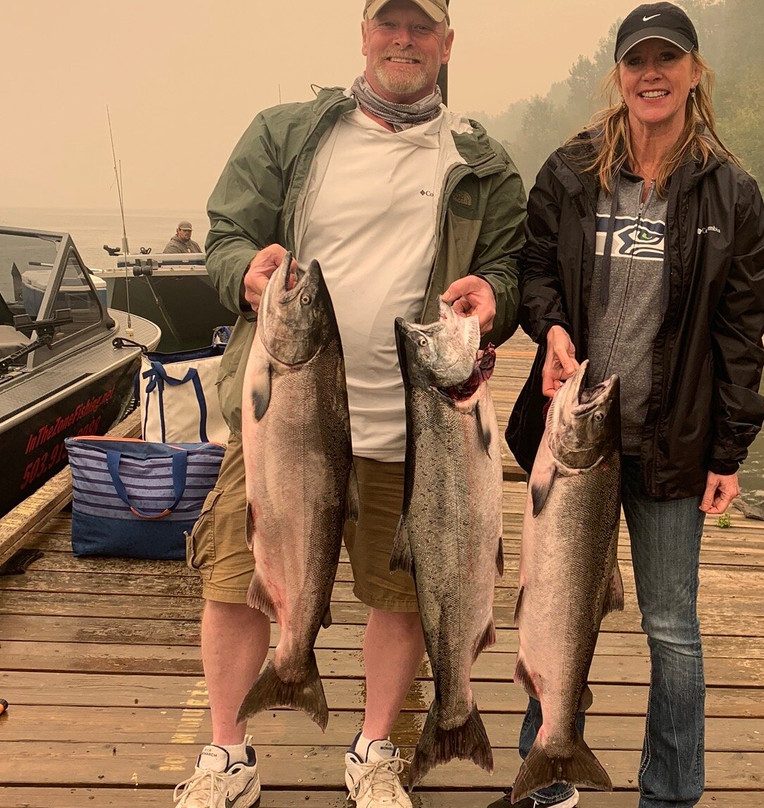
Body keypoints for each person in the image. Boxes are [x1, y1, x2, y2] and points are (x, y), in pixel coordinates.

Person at [171, 2, 524, 808]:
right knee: (235, 577)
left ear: (447, 42)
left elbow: (508, 263)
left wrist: (492, 296)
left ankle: (373, 750)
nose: (404, 40)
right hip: (283, 415)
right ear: (364, 35)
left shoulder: (482, 159)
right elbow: (227, 237)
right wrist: (247, 276)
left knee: (402, 592)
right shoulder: (289, 133)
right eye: (389, 25)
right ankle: (227, 752)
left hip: (420, 423)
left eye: (421, 27)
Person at [505, 4, 764, 807]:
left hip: (672, 445)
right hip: (575, 438)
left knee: (670, 630)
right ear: (617, 74)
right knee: (552, 606)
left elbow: (741, 333)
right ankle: (546, 779)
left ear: (695, 72)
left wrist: (729, 451)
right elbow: (537, 266)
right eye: (636, 60)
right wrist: (549, 325)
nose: (651, 73)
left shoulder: (733, 194)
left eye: (668, 58)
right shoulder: (571, 170)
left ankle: (671, 793)